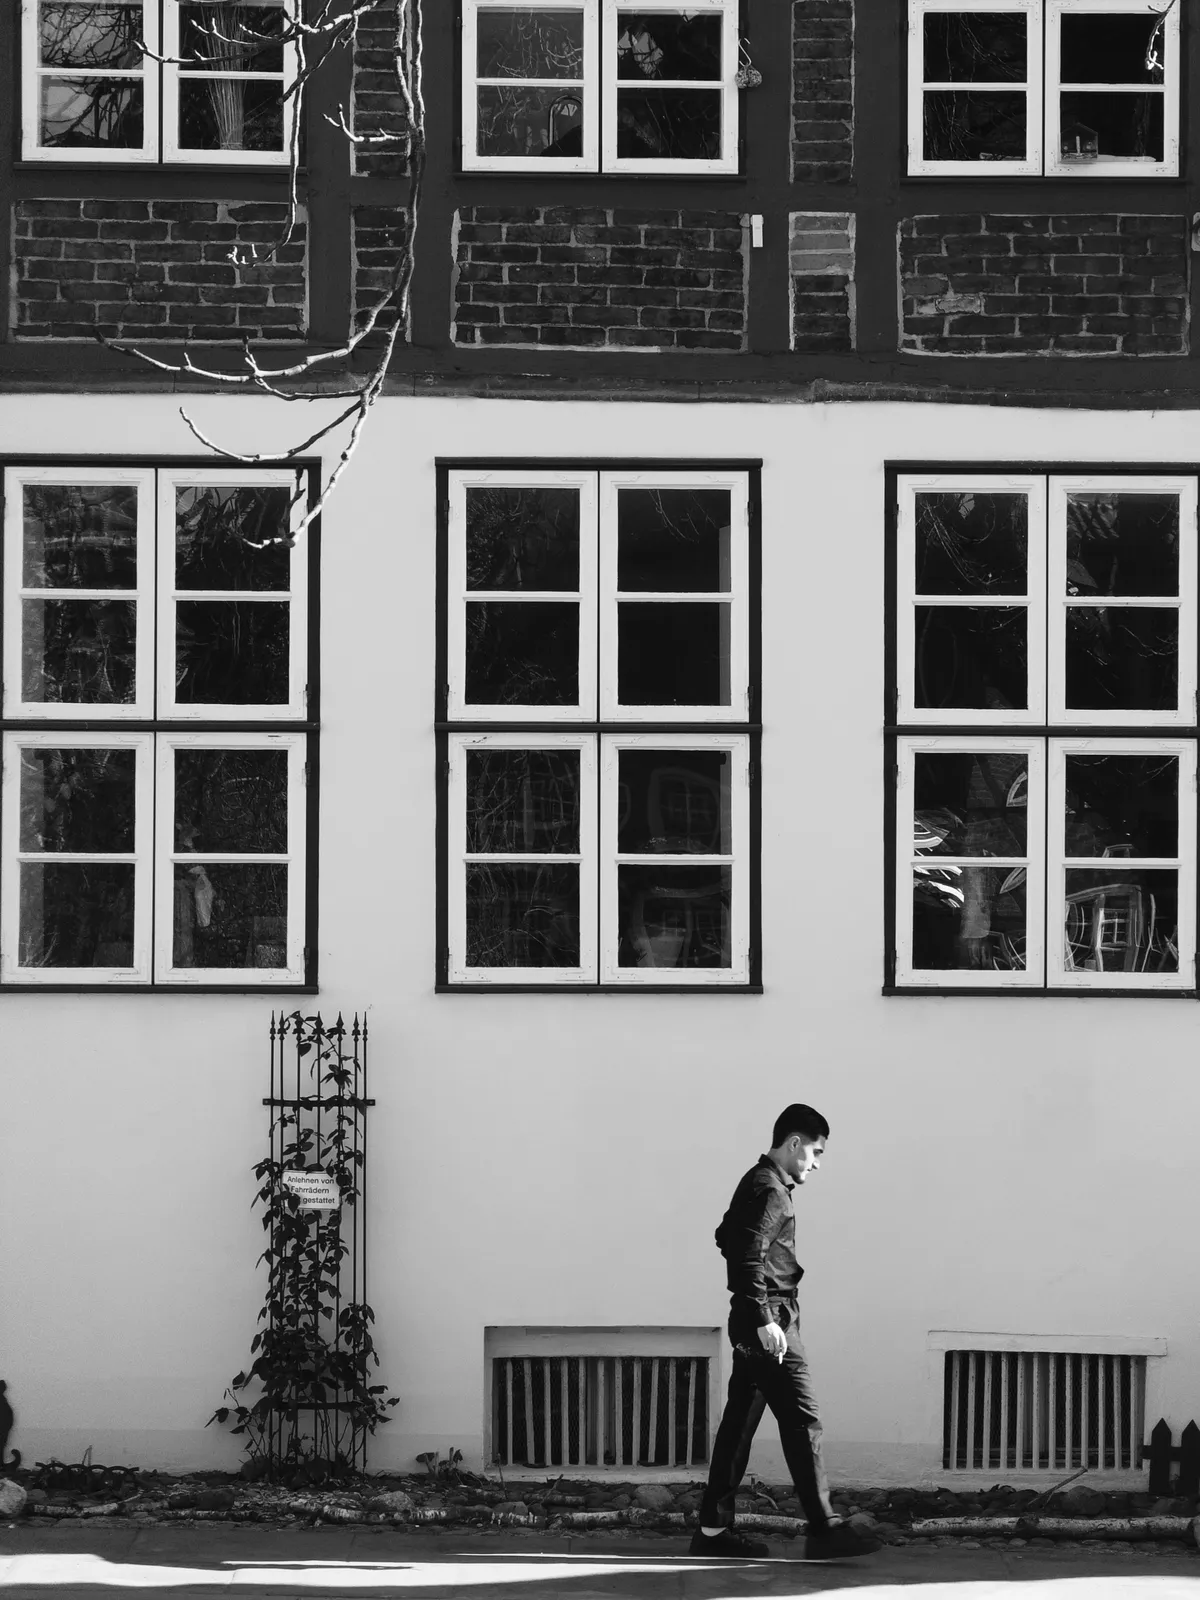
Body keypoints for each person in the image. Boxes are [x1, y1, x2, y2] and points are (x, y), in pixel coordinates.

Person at [689, 1104, 880, 1562]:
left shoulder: (755, 1181)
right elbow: (745, 1255)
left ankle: (713, 1532)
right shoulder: (770, 1190)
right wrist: (764, 1317)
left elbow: (725, 1236)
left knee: (739, 1425)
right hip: (771, 1322)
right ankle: (824, 1528)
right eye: (815, 1152)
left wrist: (757, 1309)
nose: (817, 1164)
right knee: (802, 1421)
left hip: (760, 1317)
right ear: (794, 1143)